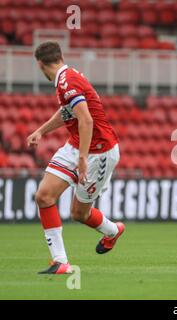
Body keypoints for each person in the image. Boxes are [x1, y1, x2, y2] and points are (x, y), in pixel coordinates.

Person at [27, 42, 125, 274]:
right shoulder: (67, 79)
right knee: (44, 196)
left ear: (40, 64)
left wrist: (82, 158)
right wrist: (41, 130)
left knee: (79, 214)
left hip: (99, 152)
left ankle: (112, 231)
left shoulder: (67, 81)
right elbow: (68, 112)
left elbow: (87, 120)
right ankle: (61, 262)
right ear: (59, 57)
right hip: (76, 146)